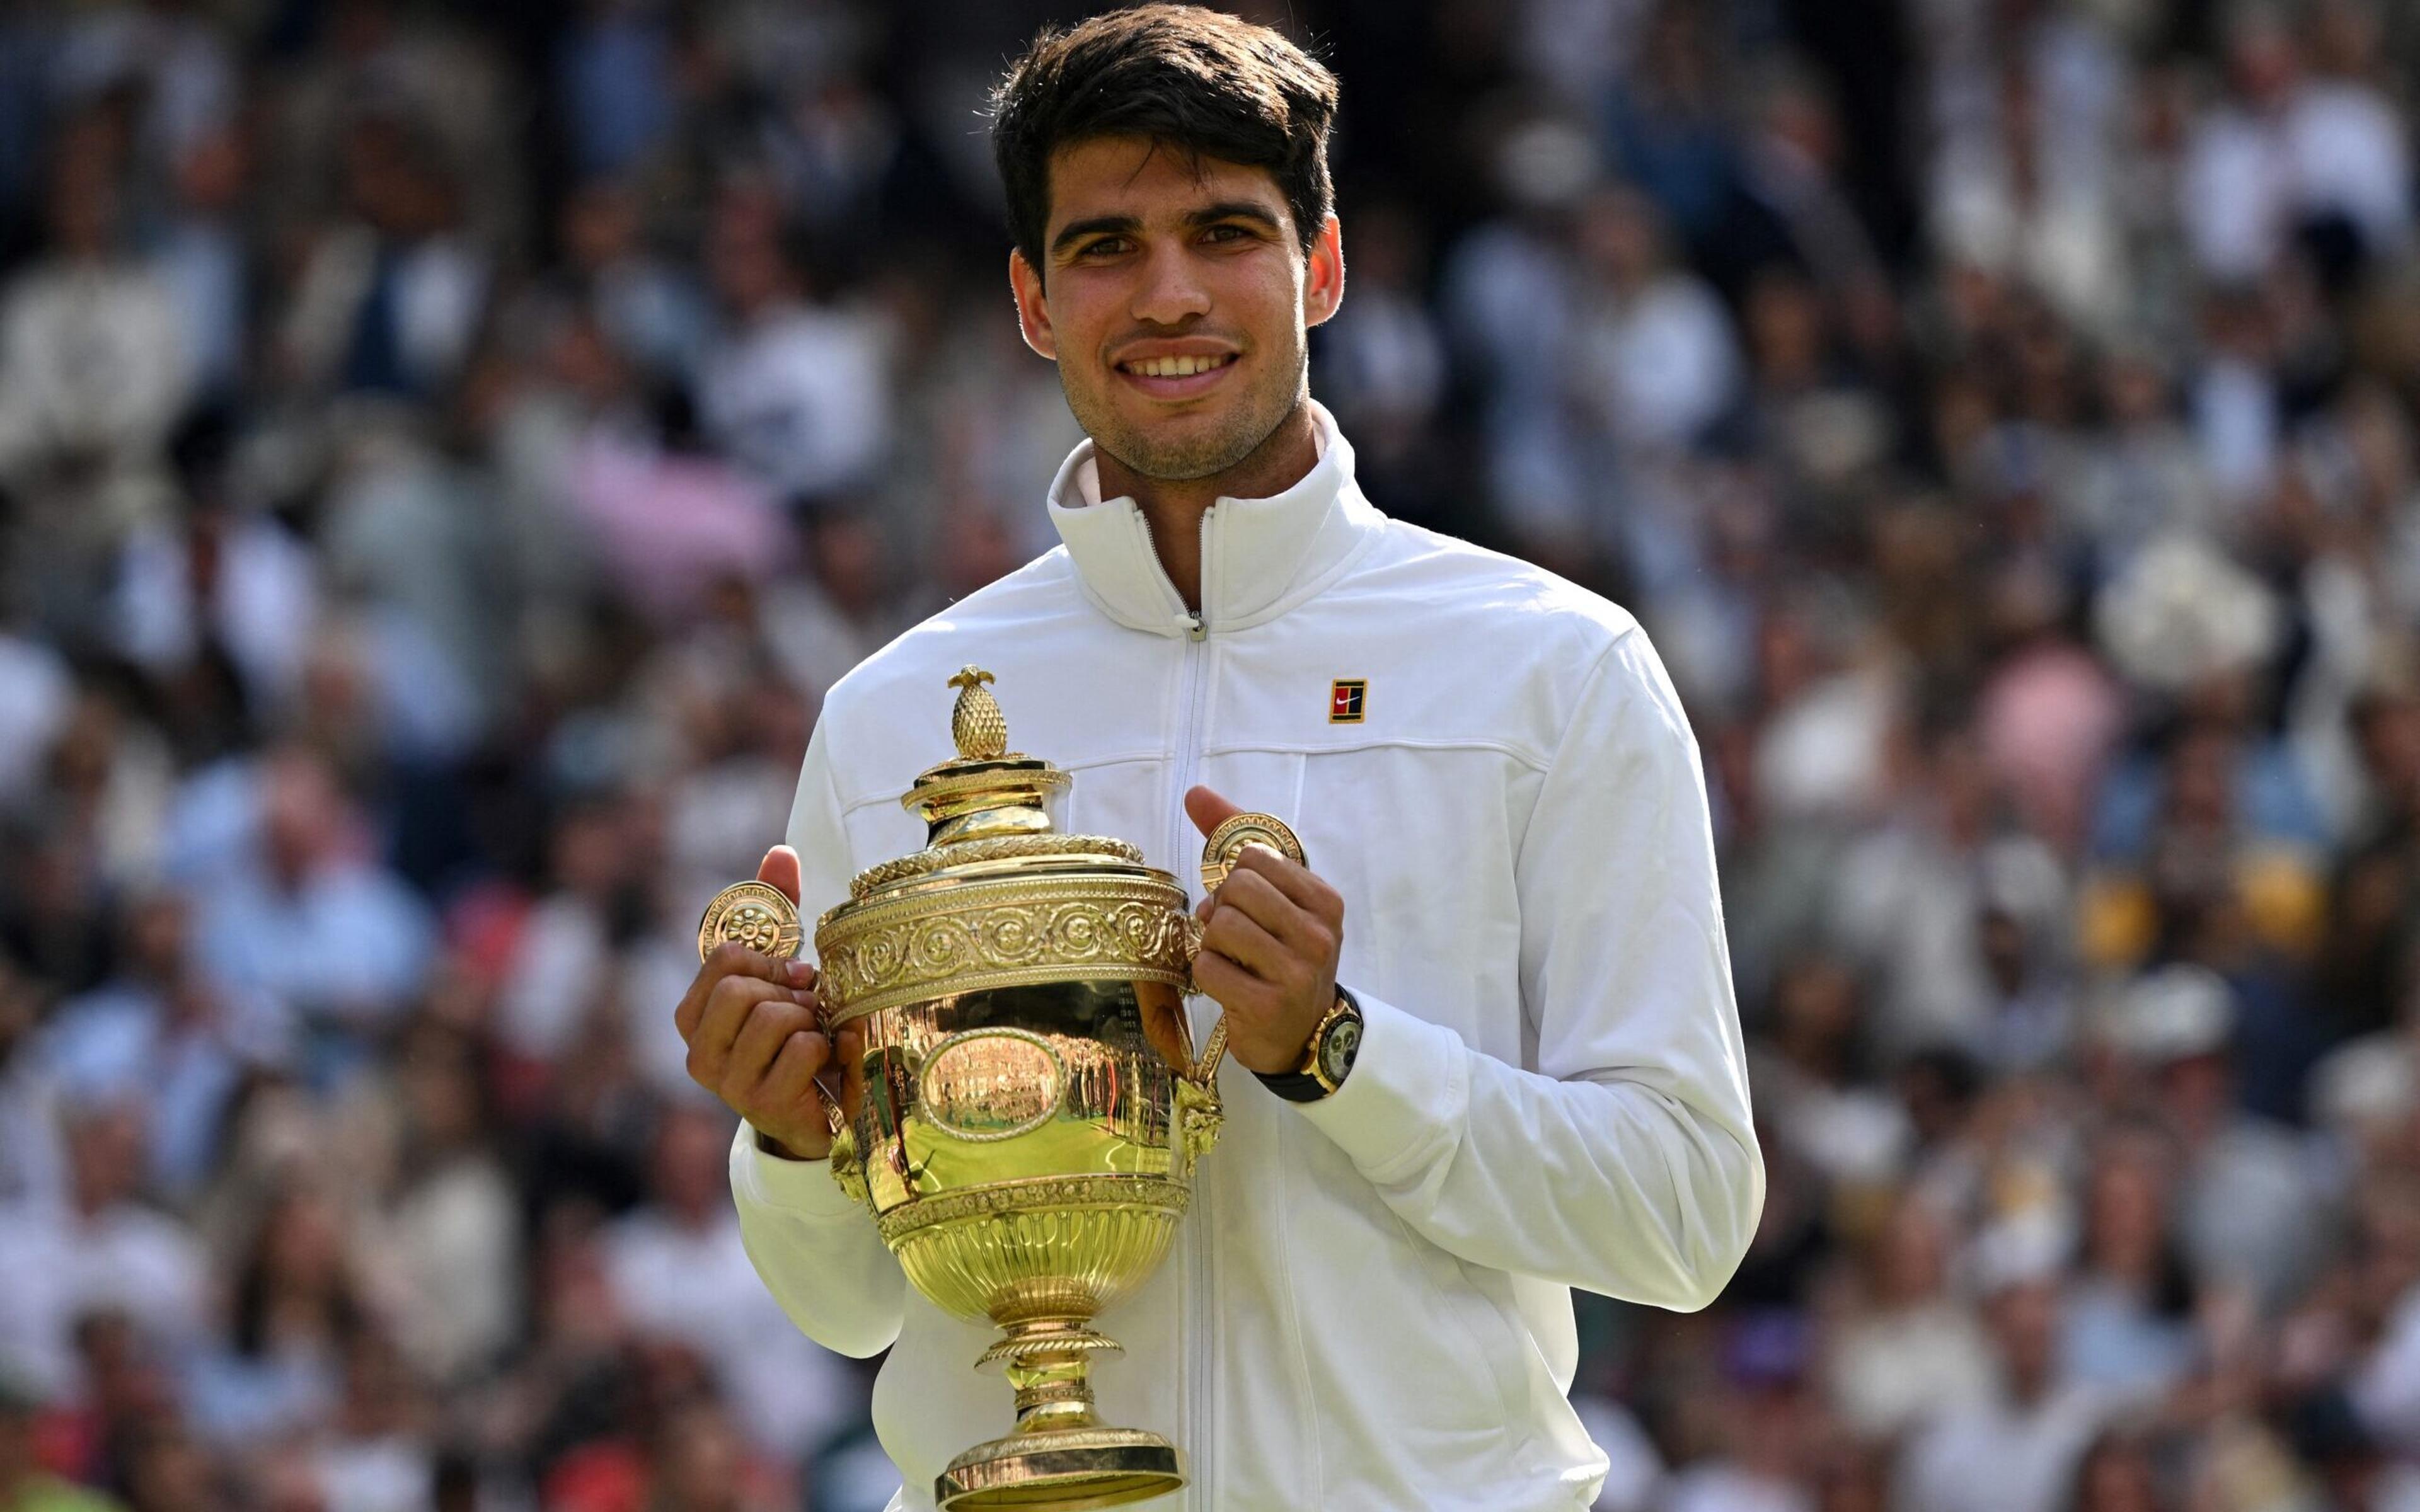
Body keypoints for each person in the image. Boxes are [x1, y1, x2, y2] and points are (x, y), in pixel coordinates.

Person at [669, 6, 1762, 1508]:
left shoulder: (1556, 670)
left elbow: (1687, 1219)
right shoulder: (891, 720)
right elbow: (851, 1307)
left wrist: (1340, 1051)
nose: (1169, 294)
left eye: (1224, 232)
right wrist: (789, 1144)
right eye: (1107, 245)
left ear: (1321, 266)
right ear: (1033, 300)